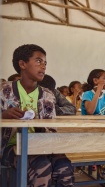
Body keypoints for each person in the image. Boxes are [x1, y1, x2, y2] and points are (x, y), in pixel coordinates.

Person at [0, 44, 74, 186]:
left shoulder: (47, 95)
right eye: (39, 61)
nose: (44, 66)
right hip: (11, 147)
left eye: (45, 63)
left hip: (41, 144)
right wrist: (3, 116)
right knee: (42, 166)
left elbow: (52, 129)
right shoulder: (4, 91)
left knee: (64, 166)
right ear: (22, 64)